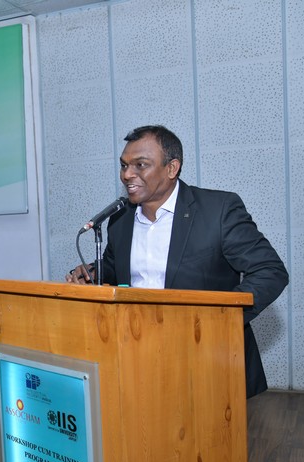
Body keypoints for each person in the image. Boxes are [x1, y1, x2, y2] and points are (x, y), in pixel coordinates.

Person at [66, 125, 288, 398]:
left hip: (208, 358)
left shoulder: (217, 210)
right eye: (124, 165)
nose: (127, 174)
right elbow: (117, 266)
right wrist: (92, 271)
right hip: (136, 353)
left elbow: (270, 271)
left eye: (140, 165)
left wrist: (220, 320)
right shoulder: (120, 219)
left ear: (172, 168)